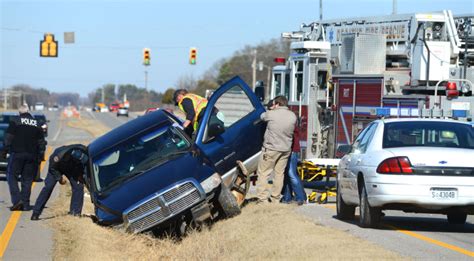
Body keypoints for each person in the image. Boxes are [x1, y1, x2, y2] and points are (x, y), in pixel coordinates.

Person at [3, 105, 47, 211]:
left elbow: (8, 137)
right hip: (32, 155)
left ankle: (17, 201)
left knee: (11, 176)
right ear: (28, 112)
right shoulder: (37, 124)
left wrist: (4, 151)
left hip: (17, 153)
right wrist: (40, 156)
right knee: (27, 179)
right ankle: (26, 204)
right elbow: (41, 143)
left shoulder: (15, 121)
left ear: (19, 113)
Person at [255, 96, 296, 203]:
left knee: (263, 173)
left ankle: (262, 199)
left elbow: (261, 116)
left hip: (271, 148)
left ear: (276, 104)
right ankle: (275, 198)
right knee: (279, 174)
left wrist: (270, 109)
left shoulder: (271, 114)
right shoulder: (293, 115)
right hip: (285, 149)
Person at [31, 144, 88, 220]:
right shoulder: (58, 156)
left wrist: (81, 175)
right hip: (57, 168)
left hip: (72, 168)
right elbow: (52, 168)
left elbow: (84, 166)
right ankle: (36, 212)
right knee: (49, 187)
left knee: (78, 186)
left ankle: (75, 213)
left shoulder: (84, 152)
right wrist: (59, 178)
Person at [281, 125, 307, 205]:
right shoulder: (288, 118)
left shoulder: (289, 120)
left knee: (291, 174)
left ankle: (300, 198)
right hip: (288, 149)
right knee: (287, 174)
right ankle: (287, 197)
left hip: (291, 150)